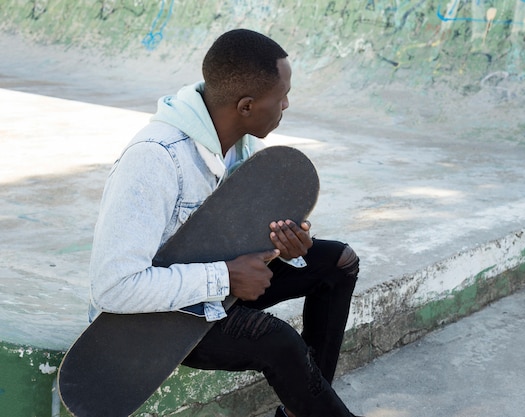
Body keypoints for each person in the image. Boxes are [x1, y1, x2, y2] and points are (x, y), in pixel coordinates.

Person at [88, 29, 362, 417]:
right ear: (246, 105)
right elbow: (112, 288)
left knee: (337, 262)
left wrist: (285, 245)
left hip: (218, 288)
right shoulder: (154, 159)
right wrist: (225, 278)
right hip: (156, 320)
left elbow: (237, 241)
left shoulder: (243, 147)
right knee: (278, 342)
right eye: (280, 96)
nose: (287, 103)